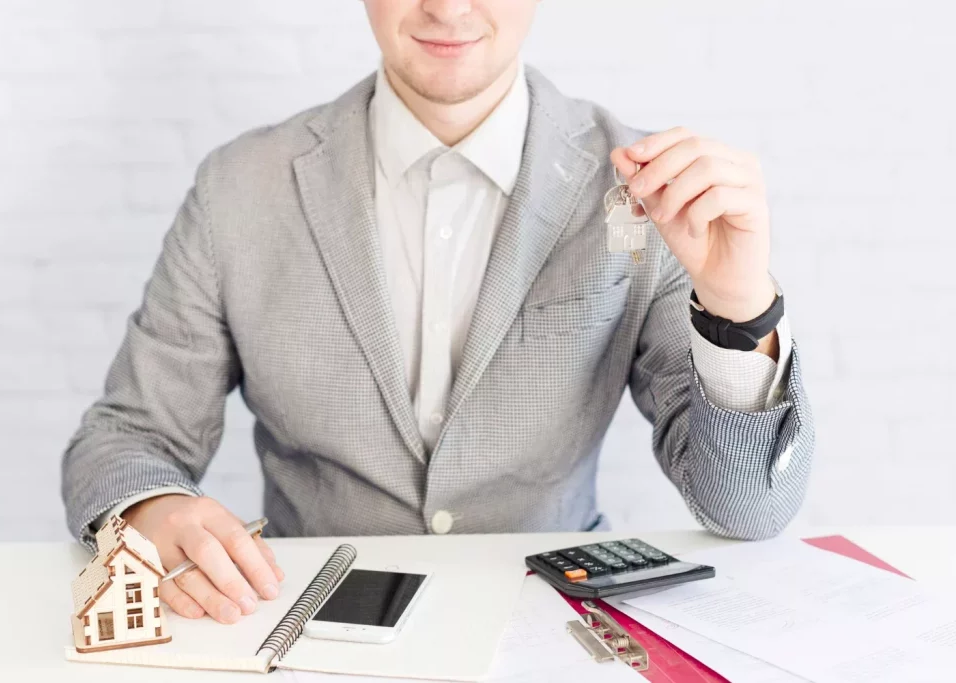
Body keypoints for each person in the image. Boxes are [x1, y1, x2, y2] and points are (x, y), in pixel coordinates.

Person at [61, 0, 814, 626]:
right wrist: (155, 509)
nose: (448, 8)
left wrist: (739, 305)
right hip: (304, 622)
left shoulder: (648, 192)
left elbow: (747, 507)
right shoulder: (240, 188)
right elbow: (126, 434)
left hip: (554, 623)